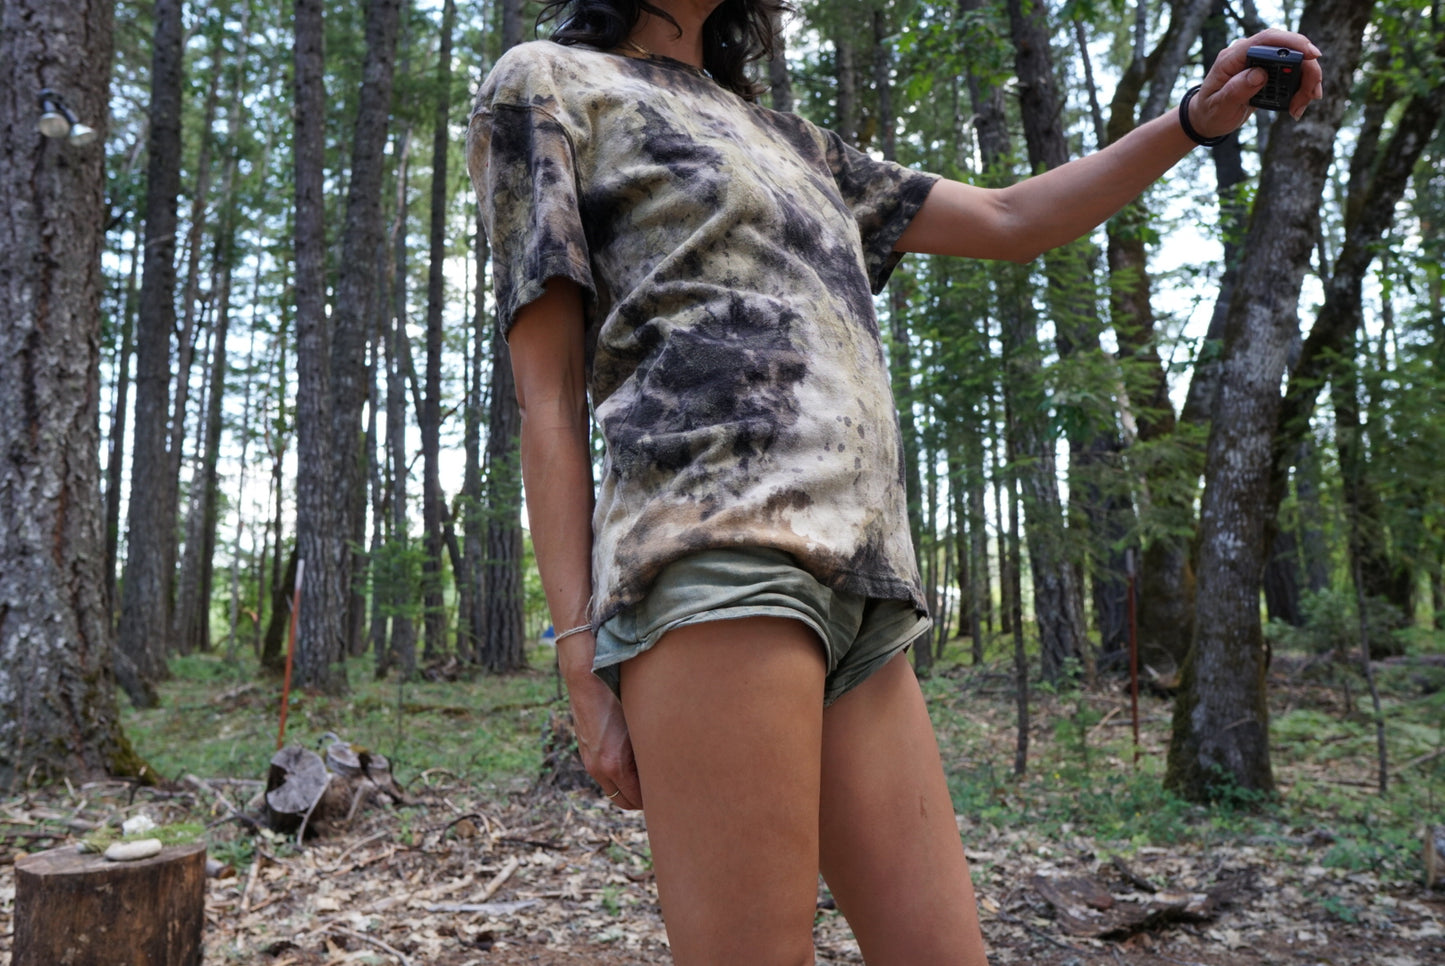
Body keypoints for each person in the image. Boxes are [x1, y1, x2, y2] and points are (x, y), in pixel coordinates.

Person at [466, 3, 1322, 963]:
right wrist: (580, 665)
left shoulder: (794, 141)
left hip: (865, 584)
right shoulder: (550, 81)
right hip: (714, 557)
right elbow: (547, 398)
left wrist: (1193, 120)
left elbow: (1010, 219)